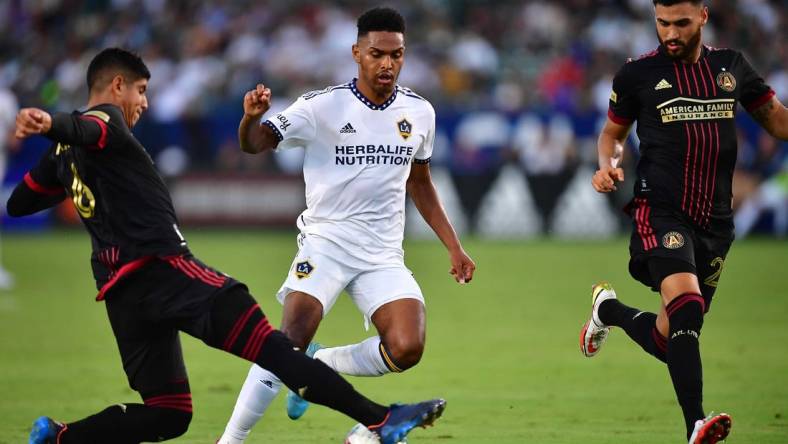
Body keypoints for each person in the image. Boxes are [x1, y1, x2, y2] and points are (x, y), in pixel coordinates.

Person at [10, 47, 446, 444]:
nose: (143, 102)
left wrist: (65, 171)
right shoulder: (107, 123)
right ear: (118, 85)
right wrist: (51, 124)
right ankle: (380, 421)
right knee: (274, 347)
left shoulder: (66, 154)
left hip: (121, 293)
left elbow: (19, 202)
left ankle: (58, 438)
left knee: (169, 414)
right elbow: (91, 124)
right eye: (141, 90)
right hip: (164, 270)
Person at [218, 7, 475, 443]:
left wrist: (454, 246)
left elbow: (421, 182)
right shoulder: (321, 107)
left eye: (397, 55)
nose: (387, 64)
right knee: (289, 339)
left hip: (382, 253)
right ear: (357, 53)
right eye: (377, 54)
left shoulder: (420, 112)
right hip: (326, 244)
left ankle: (326, 370)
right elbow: (255, 144)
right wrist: (250, 119)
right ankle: (231, 441)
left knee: (407, 347)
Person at [579, 1, 788, 443]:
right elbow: (612, 136)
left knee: (671, 336)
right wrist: (607, 164)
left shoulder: (730, 67)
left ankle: (607, 310)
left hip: (716, 220)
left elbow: (776, 119)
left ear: (703, 17)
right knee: (687, 308)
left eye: (680, 23)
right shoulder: (637, 74)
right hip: (660, 209)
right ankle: (696, 424)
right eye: (662, 22)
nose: (670, 33)